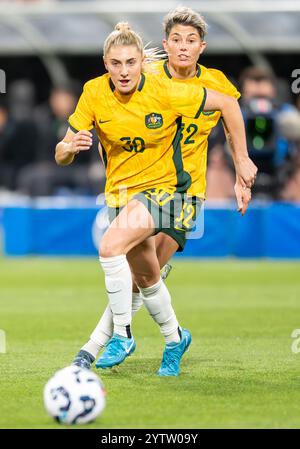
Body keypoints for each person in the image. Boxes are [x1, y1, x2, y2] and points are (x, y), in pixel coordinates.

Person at [56, 21, 256, 376]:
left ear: (201, 47)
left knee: (112, 250)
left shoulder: (172, 89)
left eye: (190, 41)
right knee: (146, 277)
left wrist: (241, 163)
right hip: (123, 193)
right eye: (176, 40)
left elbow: (228, 106)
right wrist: (68, 148)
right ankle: (175, 337)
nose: (182, 47)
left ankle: (104, 342)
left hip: (176, 190)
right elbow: (66, 150)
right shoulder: (106, 89)